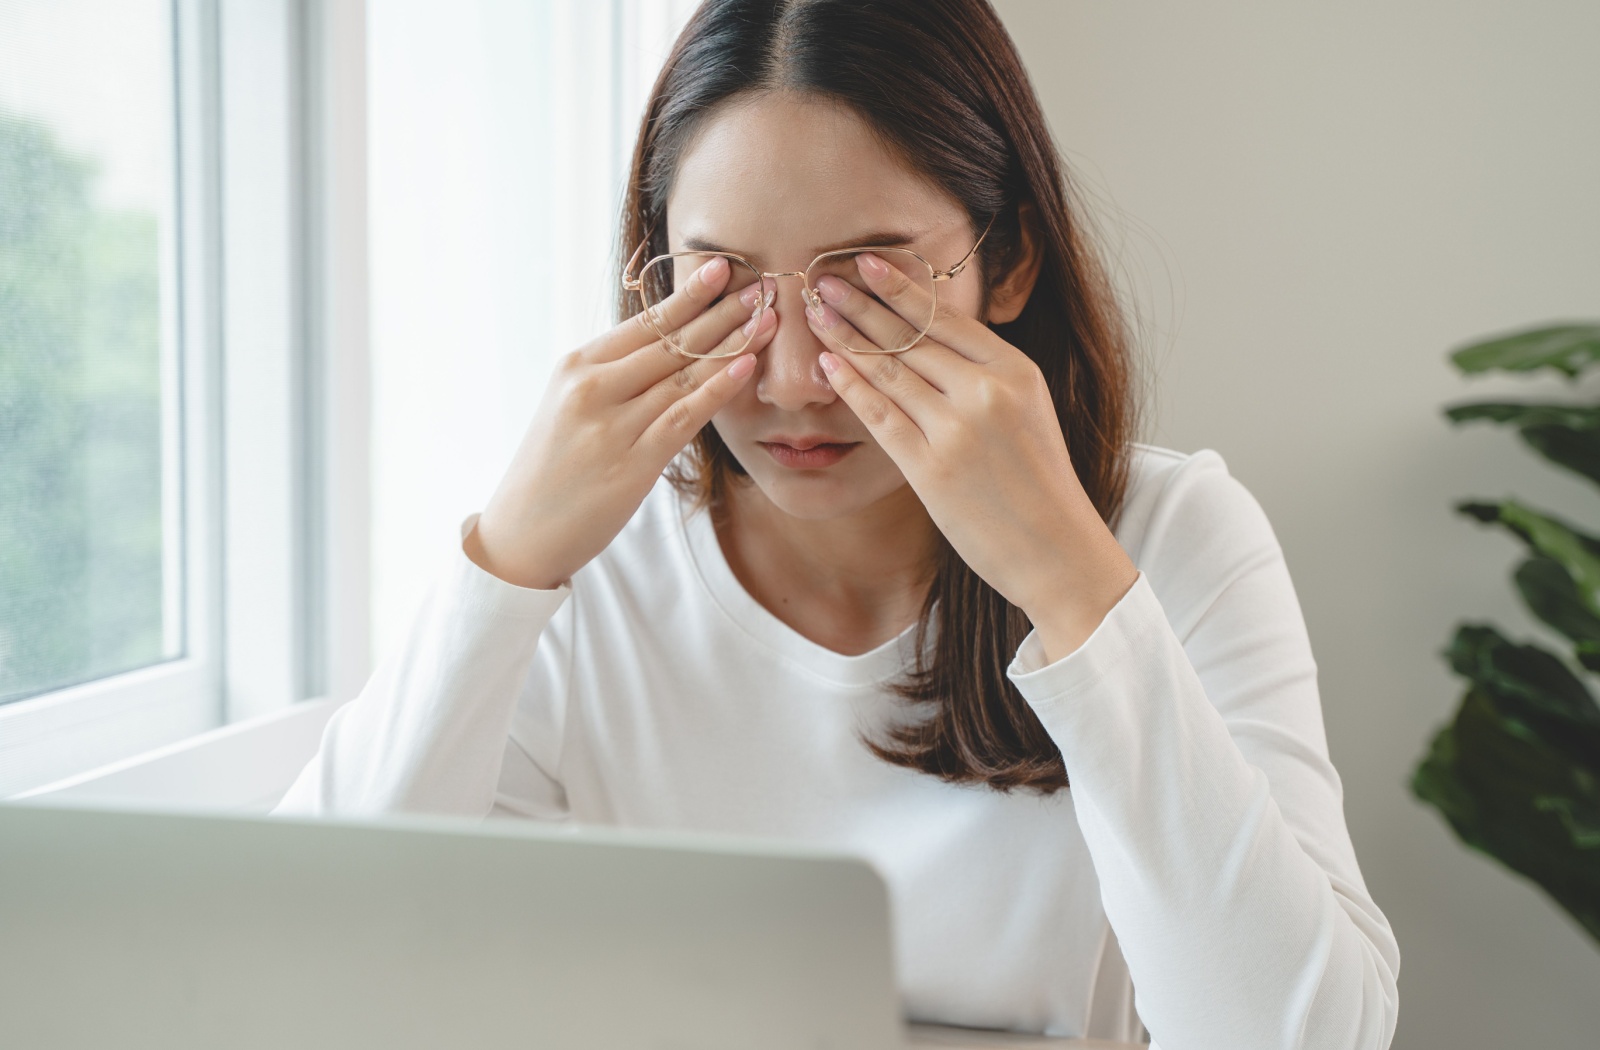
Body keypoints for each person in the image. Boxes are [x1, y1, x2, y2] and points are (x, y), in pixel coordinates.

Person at [275, 0, 1400, 1045]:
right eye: (726, 284)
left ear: (1004, 263)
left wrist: (1069, 584)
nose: (799, 379)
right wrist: (504, 567)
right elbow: (288, 973)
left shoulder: (1167, 536)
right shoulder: (595, 567)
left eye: (863, 285)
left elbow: (1298, 1033)